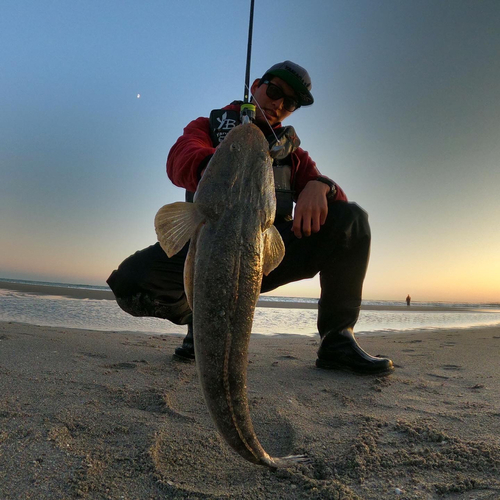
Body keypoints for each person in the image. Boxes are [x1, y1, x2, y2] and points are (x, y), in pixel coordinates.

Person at [107, 60, 394, 375]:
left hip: (261, 255)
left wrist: (320, 185)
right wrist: (216, 169)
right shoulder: (208, 127)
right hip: (205, 254)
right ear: (256, 85)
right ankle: (199, 323)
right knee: (129, 282)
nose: (278, 104)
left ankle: (338, 339)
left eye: (291, 103)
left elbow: (337, 206)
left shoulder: (293, 156)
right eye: (273, 91)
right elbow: (180, 157)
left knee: (351, 219)